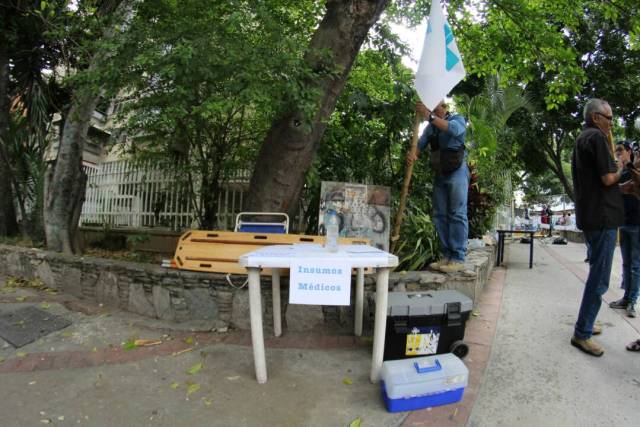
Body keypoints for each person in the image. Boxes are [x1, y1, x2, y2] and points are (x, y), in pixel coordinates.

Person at [570, 98, 624, 357]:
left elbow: (600, 185)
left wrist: (621, 185)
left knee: (596, 272)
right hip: (602, 219)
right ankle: (582, 333)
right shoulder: (598, 138)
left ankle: (587, 322)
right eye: (609, 118)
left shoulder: (581, 139)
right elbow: (608, 178)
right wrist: (623, 165)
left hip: (591, 216)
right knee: (600, 278)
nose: (611, 123)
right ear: (595, 117)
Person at [406, 100, 469, 273]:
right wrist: (413, 155)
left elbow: (454, 130)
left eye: (437, 107)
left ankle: (458, 257)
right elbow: (419, 145)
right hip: (440, 173)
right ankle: (447, 256)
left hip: (457, 171)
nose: (435, 110)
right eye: (431, 107)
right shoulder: (430, 129)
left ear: (444, 107)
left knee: (457, 213)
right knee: (440, 214)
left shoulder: (458, 119)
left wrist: (429, 116)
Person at [609, 141, 639, 318]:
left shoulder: (635, 170)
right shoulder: (620, 172)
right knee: (626, 264)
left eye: (620, 151)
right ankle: (626, 298)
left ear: (629, 151)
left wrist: (628, 166)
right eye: (616, 152)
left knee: (635, 265)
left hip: (637, 223)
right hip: (624, 222)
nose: (618, 154)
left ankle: (632, 301)